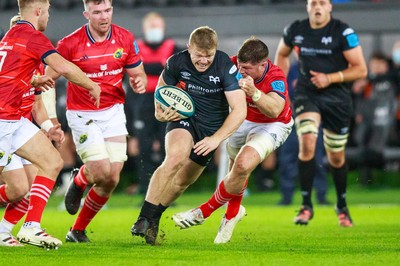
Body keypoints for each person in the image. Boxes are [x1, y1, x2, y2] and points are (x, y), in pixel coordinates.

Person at [130, 26, 247, 245]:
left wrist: (215, 139)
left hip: (210, 131)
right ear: (188, 48)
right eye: (199, 56)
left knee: (182, 182)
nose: (204, 61)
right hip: (184, 119)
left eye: (208, 56)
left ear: (216, 50)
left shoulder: (225, 66)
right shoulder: (176, 62)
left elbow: (239, 110)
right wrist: (159, 111)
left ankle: (153, 219)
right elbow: (161, 91)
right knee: (175, 158)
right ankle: (143, 218)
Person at [0, 0, 101, 248]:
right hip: (2, 121)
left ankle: (28, 227)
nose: (48, 16)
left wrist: (30, 81)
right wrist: (91, 85)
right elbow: (63, 66)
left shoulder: (11, 36)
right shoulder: (31, 36)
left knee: (51, 163)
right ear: (38, 11)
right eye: (47, 11)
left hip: (13, 119)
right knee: (18, 189)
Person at [172, 37, 293, 244]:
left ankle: (203, 212)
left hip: (273, 125)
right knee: (237, 171)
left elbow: (274, 110)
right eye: (240, 66)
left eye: (247, 68)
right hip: (242, 118)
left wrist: (254, 92)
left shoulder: (275, 76)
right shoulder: (230, 64)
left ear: (263, 65)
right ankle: (232, 214)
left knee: (243, 164)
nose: (241, 71)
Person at [45, 0, 147, 243]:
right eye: (98, 12)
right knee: (100, 170)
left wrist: (139, 81)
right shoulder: (70, 44)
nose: (104, 16)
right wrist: (47, 115)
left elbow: (138, 72)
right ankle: (80, 178)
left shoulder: (124, 38)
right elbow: (48, 78)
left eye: (108, 10)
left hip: (113, 112)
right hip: (82, 114)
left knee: (112, 178)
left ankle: (76, 230)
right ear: (86, 14)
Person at [274, 0, 367, 227]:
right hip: (308, 93)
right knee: (306, 141)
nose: (317, 6)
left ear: (329, 7)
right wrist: (280, 87)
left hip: (337, 98)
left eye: (322, 3)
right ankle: (306, 206)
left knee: (336, 155)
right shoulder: (295, 30)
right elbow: (282, 55)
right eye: (313, 2)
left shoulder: (343, 32)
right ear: (307, 7)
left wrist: (330, 78)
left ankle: (342, 206)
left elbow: (361, 69)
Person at [0, 14, 65, 247]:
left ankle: (7, 230)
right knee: (19, 188)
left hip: (21, 130)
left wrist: (50, 128)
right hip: (5, 127)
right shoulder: (9, 65)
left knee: (30, 186)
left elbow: (37, 106)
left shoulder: (36, 65)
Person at [125, 12, 182, 195]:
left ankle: (167, 190)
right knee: (144, 147)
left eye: (157, 26)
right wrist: (160, 66)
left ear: (163, 28)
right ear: (144, 28)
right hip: (142, 102)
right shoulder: (136, 48)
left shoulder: (173, 47)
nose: (154, 30)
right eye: (151, 26)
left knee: (169, 147)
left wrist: (146, 68)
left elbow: (175, 70)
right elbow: (133, 72)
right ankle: (145, 189)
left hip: (167, 100)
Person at [278, 62, 329, 205]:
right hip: (292, 118)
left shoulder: (319, 69)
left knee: (317, 158)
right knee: (287, 159)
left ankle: (321, 195)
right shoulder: (289, 69)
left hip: (312, 116)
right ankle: (286, 197)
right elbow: (280, 91)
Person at [352, 52, 398, 184]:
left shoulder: (393, 78)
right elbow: (358, 102)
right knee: (364, 143)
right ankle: (366, 181)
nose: (376, 67)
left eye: (379, 64)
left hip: (391, 124)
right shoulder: (364, 82)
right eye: (374, 65)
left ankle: (390, 177)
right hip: (370, 125)